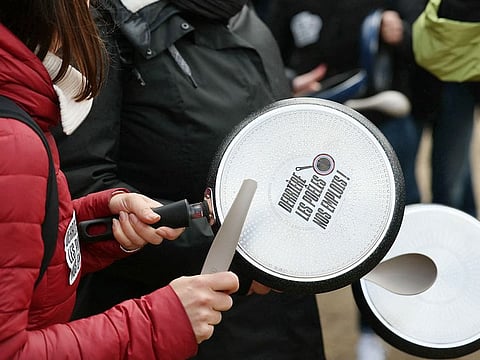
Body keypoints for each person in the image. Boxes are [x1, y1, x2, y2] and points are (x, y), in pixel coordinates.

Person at [54, 0, 327, 359]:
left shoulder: (243, 15)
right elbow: (82, 190)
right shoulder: (101, 24)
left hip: (285, 314)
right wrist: (248, 254)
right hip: (174, 321)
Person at [0, 0, 241, 358]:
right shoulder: (13, 142)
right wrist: (164, 319)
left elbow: (15, 251)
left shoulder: (20, 116)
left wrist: (88, 225)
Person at [264, 1, 425, 359]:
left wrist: (399, 32)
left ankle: (387, 323)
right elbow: (268, 57)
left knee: (403, 226)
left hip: (387, 121)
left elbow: (424, 45)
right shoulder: (284, 6)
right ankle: (362, 331)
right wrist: (289, 84)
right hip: (321, 132)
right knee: (339, 234)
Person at [413, 0, 480, 216]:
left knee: (452, 182)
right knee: (453, 178)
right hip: (413, 77)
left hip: (460, 79)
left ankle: (459, 240)